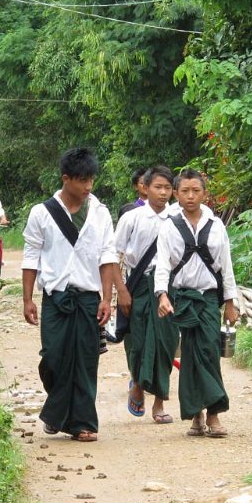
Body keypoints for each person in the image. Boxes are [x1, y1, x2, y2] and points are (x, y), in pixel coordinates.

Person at [21, 148, 117, 442]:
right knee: (53, 358)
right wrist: (27, 299)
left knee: (87, 361)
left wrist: (106, 298)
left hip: (88, 298)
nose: (88, 187)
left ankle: (84, 422)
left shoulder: (99, 214)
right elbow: (30, 256)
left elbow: (107, 257)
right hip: (56, 298)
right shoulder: (42, 213)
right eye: (81, 180)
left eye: (91, 180)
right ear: (66, 179)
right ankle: (58, 409)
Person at [155, 168, 239, 438]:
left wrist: (230, 302)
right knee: (190, 355)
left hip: (208, 299)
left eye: (196, 191)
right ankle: (196, 415)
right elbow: (163, 265)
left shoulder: (216, 226)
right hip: (182, 298)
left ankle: (213, 414)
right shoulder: (169, 226)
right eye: (184, 191)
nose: (190, 196)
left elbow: (226, 266)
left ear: (204, 193)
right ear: (176, 194)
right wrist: (162, 295)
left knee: (209, 352)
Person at [113, 166, 179, 424]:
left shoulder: (177, 217)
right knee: (137, 340)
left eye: (167, 188)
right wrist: (120, 291)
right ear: (145, 188)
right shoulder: (132, 217)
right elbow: (114, 254)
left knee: (165, 342)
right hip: (138, 284)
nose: (163, 193)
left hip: (169, 286)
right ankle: (138, 384)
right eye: (157, 187)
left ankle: (160, 401)